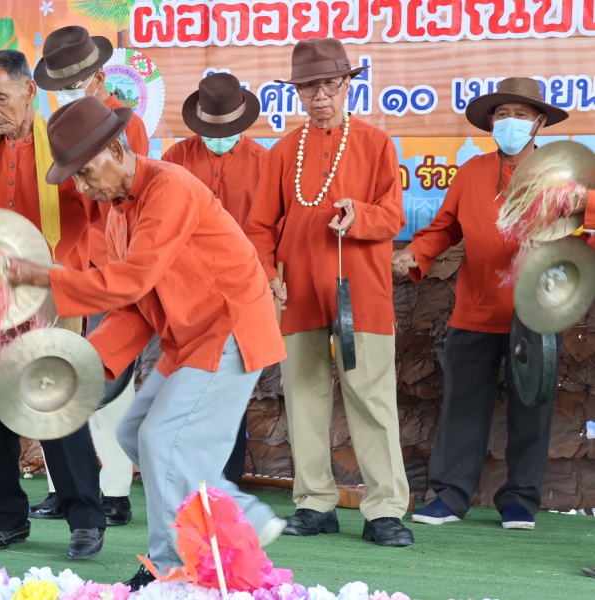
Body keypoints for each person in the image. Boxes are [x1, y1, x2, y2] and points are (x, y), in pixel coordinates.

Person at [5, 95, 288, 589]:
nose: (81, 187)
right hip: (189, 338)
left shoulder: (168, 186)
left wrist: (47, 277)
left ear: (116, 150)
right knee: (136, 432)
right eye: (74, 177)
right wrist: (85, 364)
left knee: (162, 441)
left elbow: (130, 281)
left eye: (85, 172)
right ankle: (240, 513)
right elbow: (132, 308)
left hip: (229, 328)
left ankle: (168, 567)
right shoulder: (117, 213)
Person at [245, 37, 413, 547]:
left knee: (372, 399)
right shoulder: (282, 151)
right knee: (303, 397)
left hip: (360, 294)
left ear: (347, 86)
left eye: (330, 85)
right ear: (297, 93)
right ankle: (314, 502)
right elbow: (259, 227)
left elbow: (393, 216)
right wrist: (266, 272)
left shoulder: (377, 143)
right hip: (297, 294)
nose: (320, 96)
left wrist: (359, 215)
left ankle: (385, 510)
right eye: (309, 87)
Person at [393, 77, 569, 530]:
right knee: (462, 408)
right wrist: (416, 253)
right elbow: (444, 227)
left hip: (537, 312)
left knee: (532, 410)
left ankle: (520, 501)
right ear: (491, 122)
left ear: (539, 122)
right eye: (502, 114)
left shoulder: (563, 176)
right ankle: (450, 497)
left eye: (521, 114)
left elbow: (585, 235)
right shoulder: (470, 172)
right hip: (474, 309)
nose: (510, 122)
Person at [0, 49, 106, 559]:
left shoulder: (65, 145)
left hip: (56, 290)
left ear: (29, 90)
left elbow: (100, 213)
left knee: (56, 404)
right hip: (2, 296)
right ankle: (5, 519)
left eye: (0, 98)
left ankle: (86, 520)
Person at [27, 25, 151, 525]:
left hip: (110, 269)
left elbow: (130, 201)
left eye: (75, 82)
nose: (67, 91)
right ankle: (63, 486)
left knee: (111, 380)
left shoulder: (126, 125)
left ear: (99, 76)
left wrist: (111, 266)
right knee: (56, 375)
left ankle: (115, 489)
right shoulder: (52, 128)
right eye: (60, 85)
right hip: (62, 266)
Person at [162, 71, 268, 482]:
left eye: (227, 130)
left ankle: (225, 483)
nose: (219, 137)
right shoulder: (174, 159)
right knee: (182, 388)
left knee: (230, 393)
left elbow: (269, 230)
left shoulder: (264, 163)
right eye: (211, 130)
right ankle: (181, 479)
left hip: (241, 297)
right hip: (183, 295)